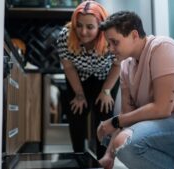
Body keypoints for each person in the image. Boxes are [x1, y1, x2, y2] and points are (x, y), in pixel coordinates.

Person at [97, 11, 174, 169]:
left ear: (134, 35)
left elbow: (162, 108)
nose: (110, 49)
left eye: (114, 42)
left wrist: (114, 122)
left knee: (125, 143)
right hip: (173, 127)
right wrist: (109, 155)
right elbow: (127, 118)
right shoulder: (126, 66)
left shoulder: (162, 47)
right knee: (117, 140)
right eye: (108, 43)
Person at [56, 0, 120, 159]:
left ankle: (103, 158)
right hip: (79, 77)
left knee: (104, 114)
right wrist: (79, 94)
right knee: (76, 113)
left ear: (101, 26)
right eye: (79, 25)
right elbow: (69, 67)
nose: (83, 32)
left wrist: (106, 91)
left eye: (90, 27)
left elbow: (117, 65)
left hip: (106, 77)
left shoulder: (110, 37)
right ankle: (78, 156)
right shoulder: (65, 35)